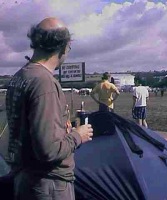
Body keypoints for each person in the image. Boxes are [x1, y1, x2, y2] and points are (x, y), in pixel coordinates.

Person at [6, 17, 93, 200]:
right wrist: (78, 135)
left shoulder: (20, 76)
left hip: (25, 178)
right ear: (63, 48)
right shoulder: (44, 83)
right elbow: (48, 151)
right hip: (49, 185)